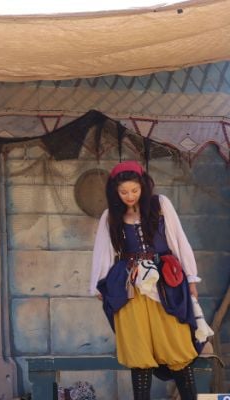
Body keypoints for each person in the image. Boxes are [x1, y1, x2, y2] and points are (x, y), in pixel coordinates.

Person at [90, 160, 203, 400]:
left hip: (165, 285)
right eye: (123, 192)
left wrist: (191, 278)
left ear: (143, 186)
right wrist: (100, 284)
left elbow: (178, 241)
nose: (129, 196)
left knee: (177, 348)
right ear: (115, 192)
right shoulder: (110, 216)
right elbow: (104, 251)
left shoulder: (161, 205)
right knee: (138, 352)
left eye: (134, 190)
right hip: (131, 288)